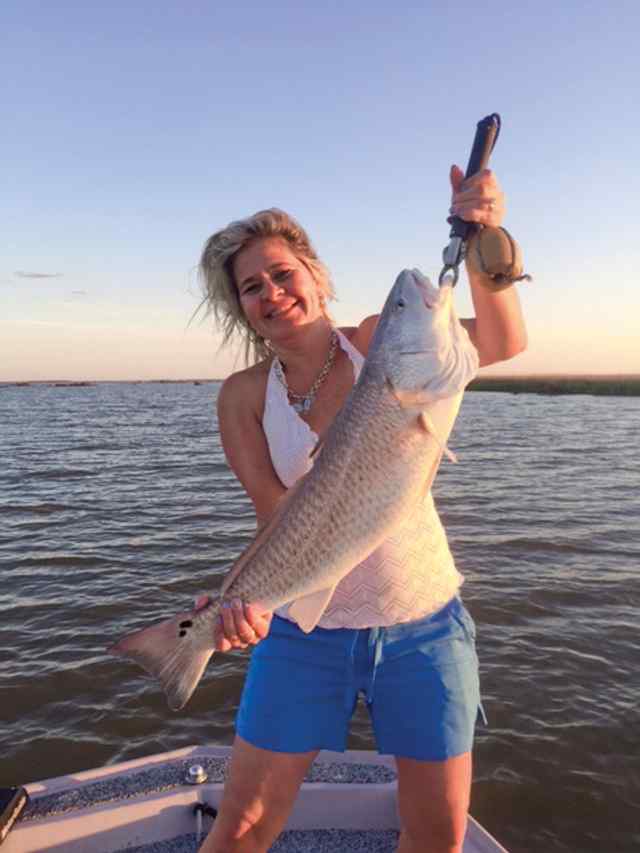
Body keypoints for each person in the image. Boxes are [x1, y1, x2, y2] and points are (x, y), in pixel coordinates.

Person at [196, 165, 527, 853]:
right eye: (251, 287)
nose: (272, 293)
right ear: (241, 309)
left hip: (424, 625)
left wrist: (486, 239)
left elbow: (501, 340)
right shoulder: (241, 397)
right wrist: (232, 602)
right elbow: (281, 519)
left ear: (315, 275)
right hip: (301, 634)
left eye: (283, 273)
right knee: (245, 825)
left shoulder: (381, 337)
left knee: (437, 834)